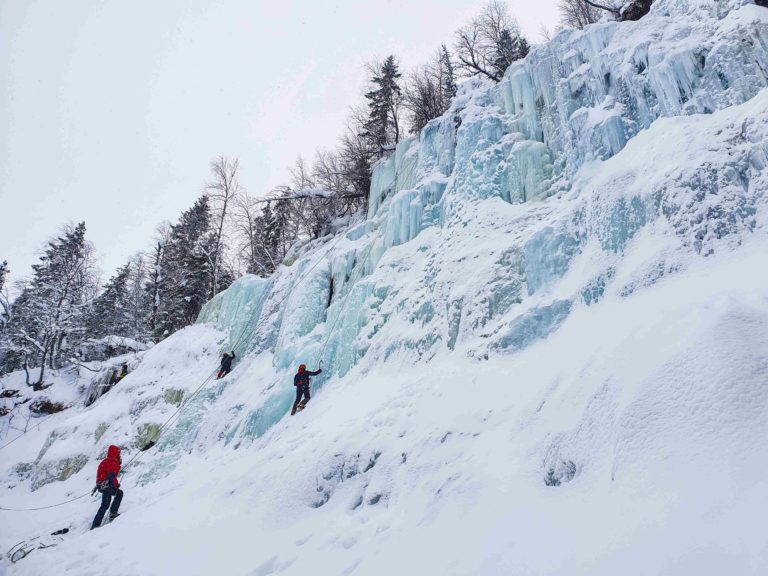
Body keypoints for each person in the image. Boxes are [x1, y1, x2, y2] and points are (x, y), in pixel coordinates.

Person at [91, 445, 123, 529]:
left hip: (101, 485)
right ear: (115, 453)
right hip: (105, 484)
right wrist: (116, 485)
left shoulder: (107, 461)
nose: (120, 455)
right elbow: (112, 476)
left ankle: (95, 525)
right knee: (119, 493)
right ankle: (113, 514)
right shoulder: (112, 461)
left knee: (105, 505)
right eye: (119, 453)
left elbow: (108, 474)